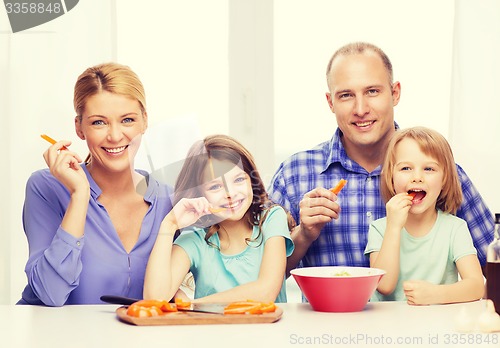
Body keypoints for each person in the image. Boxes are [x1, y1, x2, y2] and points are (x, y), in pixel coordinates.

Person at [268, 42, 494, 276]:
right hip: (330, 314)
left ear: (395, 93)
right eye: (346, 95)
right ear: (330, 102)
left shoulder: (438, 173)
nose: (361, 108)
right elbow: (257, 278)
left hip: (423, 312)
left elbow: (493, 260)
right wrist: (303, 235)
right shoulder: (294, 173)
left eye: (372, 91)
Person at [18, 63, 173, 306]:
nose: (114, 136)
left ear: (144, 121)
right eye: (99, 122)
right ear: (79, 127)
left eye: (128, 120)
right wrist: (80, 195)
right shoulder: (46, 187)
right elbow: (51, 294)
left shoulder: (171, 200)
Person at [144, 135, 294, 303]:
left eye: (238, 180)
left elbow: (266, 292)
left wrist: (192, 305)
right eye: (215, 187)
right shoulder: (195, 240)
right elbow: (155, 298)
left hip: (267, 329)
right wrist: (169, 224)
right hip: (211, 330)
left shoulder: (272, 219)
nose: (230, 193)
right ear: (200, 193)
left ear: (251, 181)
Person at [364, 127, 484, 304]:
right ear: (391, 178)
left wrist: (437, 294)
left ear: (444, 179)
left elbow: (476, 286)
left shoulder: (454, 228)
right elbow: (384, 285)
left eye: (429, 169)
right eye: (406, 168)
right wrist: (394, 227)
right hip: (387, 325)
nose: (417, 177)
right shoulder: (380, 228)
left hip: (436, 325)